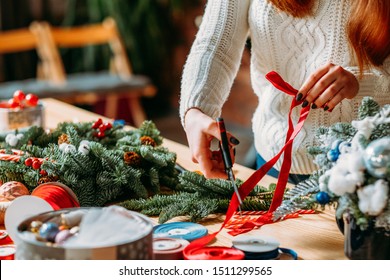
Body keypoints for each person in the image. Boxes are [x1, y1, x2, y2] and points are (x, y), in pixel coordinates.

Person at [179, 0, 390, 184]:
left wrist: (361, 83)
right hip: (273, 160)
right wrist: (196, 110)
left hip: (368, 165)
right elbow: (215, 44)